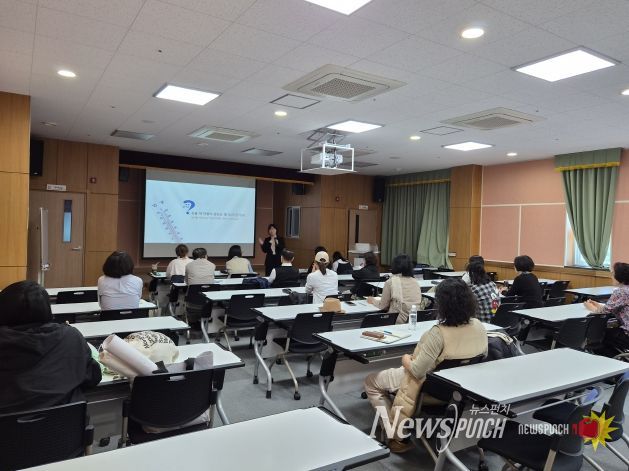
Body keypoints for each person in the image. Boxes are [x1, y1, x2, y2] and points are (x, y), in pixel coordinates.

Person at [364, 278, 488, 453]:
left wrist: (405, 359)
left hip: (429, 387)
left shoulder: (439, 333)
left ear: (442, 304)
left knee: (372, 381)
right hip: (460, 390)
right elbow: (483, 356)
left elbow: (417, 371)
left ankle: (396, 435)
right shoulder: (479, 326)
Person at [0, 281, 102, 414]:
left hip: (9, 425)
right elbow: (93, 377)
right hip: (66, 424)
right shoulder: (70, 337)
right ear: (47, 308)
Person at [367, 254, 422, 324]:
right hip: (415, 320)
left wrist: (372, 300)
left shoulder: (391, 282)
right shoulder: (415, 281)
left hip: (397, 321)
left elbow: (383, 306)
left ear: (394, 266)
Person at [585, 262, 629, 349]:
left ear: (619, 276)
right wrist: (598, 305)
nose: (611, 277)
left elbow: (604, 313)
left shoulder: (620, 292)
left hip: (626, 336)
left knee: (599, 333)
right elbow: (611, 308)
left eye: (613, 274)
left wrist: (591, 307)